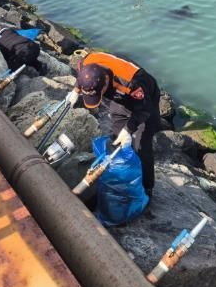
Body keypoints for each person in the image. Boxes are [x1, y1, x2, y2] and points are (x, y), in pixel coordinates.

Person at [68, 52, 160, 197]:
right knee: (117, 136)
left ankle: (147, 188)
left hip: (145, 98)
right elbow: (82, 78)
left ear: (105, 83)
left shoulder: (131, 83)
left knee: (142, 143)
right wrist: (75, 91)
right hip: (120, 98)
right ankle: (123, 169)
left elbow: (144, 109)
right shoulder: (86, 66)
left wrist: (129, 129)